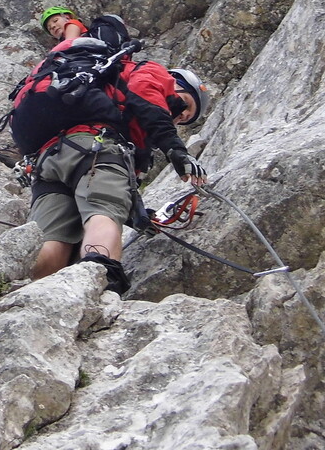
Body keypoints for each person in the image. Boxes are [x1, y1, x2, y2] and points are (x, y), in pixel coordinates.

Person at [25, 45, 209, 295]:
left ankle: (24, 290)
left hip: (49, 159)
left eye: (187, 118)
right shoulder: (153, 72)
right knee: (104, 213)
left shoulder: (108, 99)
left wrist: (137, 215)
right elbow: (145, 94)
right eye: (186, 104)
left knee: (55, 240)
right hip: (97, 149)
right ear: (175, 83)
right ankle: (100, 281)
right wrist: (175, 149)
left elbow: (117, 187)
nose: (183, 115)